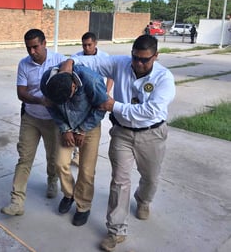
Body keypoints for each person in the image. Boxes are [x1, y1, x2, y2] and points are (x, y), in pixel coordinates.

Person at [60, 34, 175, 251]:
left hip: (152, 134)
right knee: (119, 182)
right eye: (136, 58)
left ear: (156, 57)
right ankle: (115, 231)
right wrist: (70, 62)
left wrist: (114, 106)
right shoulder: (120, 63)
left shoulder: (164, 78)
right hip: (122, 133)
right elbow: (92, 60)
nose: (139, 64)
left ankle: (143, 200)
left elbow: (152, 111)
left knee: (150, 177)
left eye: (145, 60)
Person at [0, 28, 67, 216]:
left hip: (53, 119)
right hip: (31, 118)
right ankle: (16, 201)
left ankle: (52, 179)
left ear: (44, 43)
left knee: (53, 157)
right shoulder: (24, 64)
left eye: (35, 47)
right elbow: (21, 93)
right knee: (24, 159)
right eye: (28, 48)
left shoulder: (59, 61)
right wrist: (40, 100)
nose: (32, 52)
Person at [40, 65, 108, 226]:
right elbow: (51, 107)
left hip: (89, 127)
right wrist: (64, 129)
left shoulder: (91, 80)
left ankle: (83, 206)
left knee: (86, 170)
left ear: (73, 85)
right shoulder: (46, 81)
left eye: (68, 98)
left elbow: (102, 107)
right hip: (65, 127)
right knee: (60, 163)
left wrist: (83, 129)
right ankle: (69, 194)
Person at [71, 32, 114, 166]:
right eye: (84, 45)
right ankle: (77, 154)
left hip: (97, 96)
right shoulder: (76, 57)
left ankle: (88, 152)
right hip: (81, 97)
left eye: (89, 45)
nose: (87, 48)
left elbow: (110, 76)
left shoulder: (104, 57)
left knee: (93, 121)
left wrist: (106, 92)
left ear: (95, 44)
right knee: (77, 124)